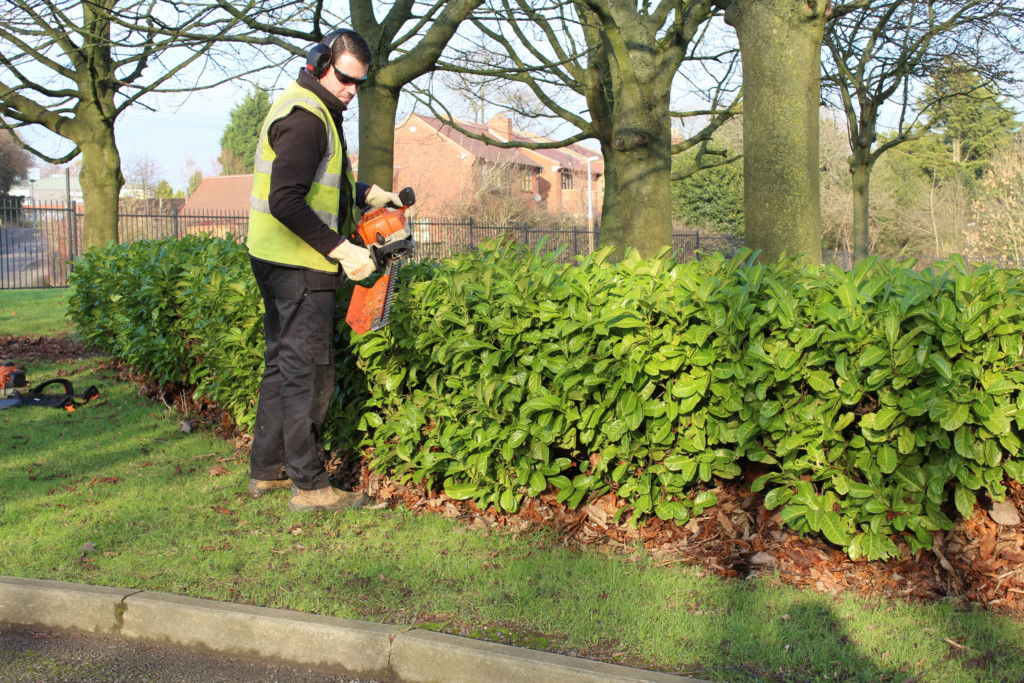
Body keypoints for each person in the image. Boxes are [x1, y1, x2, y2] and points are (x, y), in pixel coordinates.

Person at [245, 28, 404, 511]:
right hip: (299, 264)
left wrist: (367, 194)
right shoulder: (308, 119)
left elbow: (318, 181)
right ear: (319, 63)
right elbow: (285, 201)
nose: (352, 91)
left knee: (282, 365)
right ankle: (311, 487)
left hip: (275, 257)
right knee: (308, 373)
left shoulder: (311, 107)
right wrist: (342, 250)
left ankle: (267, 470)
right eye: (345, 79)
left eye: (359, 84)